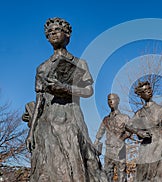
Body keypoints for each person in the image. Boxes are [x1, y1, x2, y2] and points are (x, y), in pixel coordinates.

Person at [25, 17, 107, 182]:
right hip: (47, 121)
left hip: (71, 116)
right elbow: (39, 99)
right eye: (49, 32)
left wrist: (66, 88)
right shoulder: (42, 67)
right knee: (49, 164)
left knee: (77, 158)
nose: (53, 34)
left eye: (57, 30)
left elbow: (88, 91)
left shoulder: (79, 63)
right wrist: (31, 131)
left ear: (67, 34)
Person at [126, 81, 162, 181]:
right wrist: (139, 132)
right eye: (145, 90)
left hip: (159, 146)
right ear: (140, 95)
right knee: (142, 176)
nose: (148, 92)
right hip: (146, 148)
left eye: (149, 89)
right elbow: (128, 125)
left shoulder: (160, 109)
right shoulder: (139, 113)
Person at [94, 93, 131, 182]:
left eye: (113, 99)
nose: (111, 101)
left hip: (120, 151)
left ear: (118, 101)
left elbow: (130, 131)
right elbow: (99, 134)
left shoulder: (125, 118)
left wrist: (121, 139)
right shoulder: (106, 119)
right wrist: (95, 144)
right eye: (109, 100)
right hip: (109, 151)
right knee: (107, 175)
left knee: (122, 176)